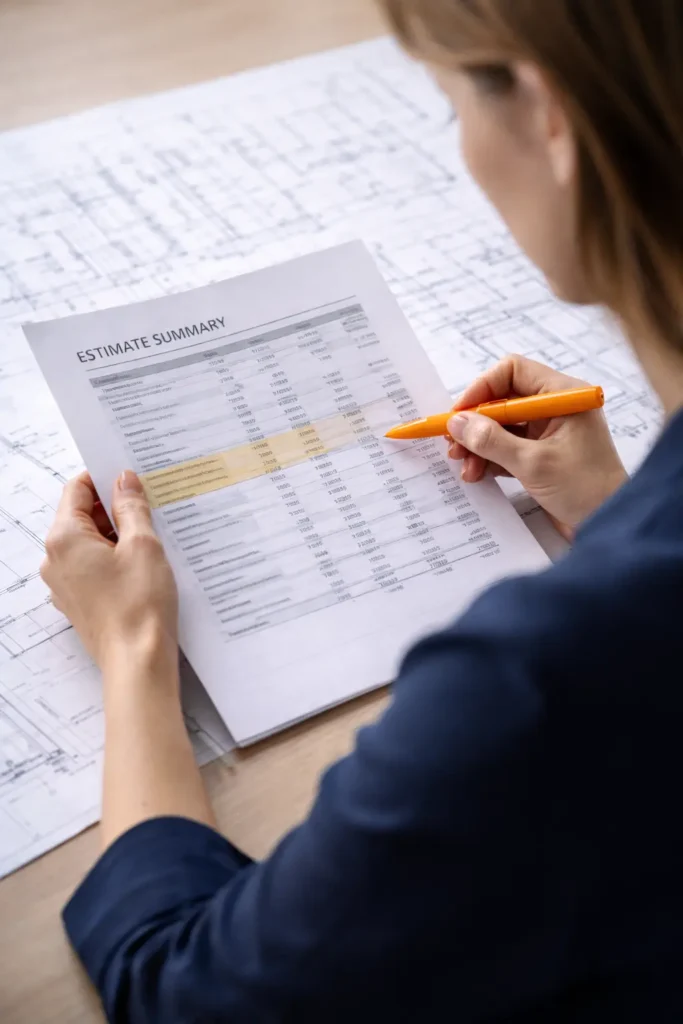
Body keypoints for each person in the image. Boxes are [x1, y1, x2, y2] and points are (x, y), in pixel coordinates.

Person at [43, 1, 683, 1020]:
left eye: (451, 108)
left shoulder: (537, 680)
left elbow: (190, 991)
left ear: (550, 118)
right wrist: (620, 513)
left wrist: (133, 649)